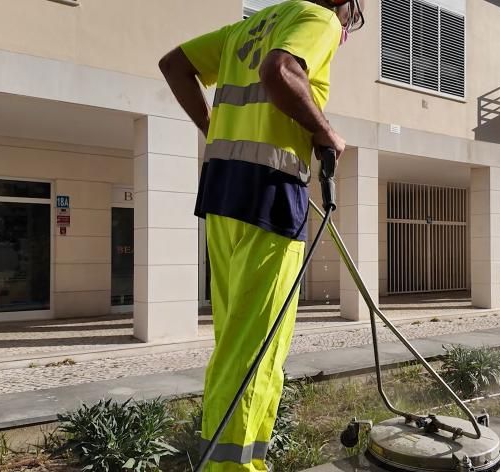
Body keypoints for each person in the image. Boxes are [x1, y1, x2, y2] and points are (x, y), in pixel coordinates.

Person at [158, 0, 364, 470]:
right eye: (355, 13)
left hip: (223, 193)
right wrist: (325, 132)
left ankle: (224, 459)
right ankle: (235, 467)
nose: (349, 24)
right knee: (259, 347)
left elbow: (174, 65)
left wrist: (214, 130)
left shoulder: (248, 26)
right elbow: (281, 70)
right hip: (269, 194)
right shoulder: (319, 18)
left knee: (235, 341)